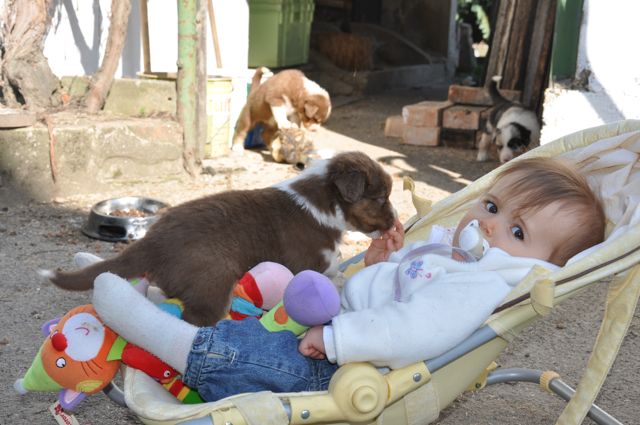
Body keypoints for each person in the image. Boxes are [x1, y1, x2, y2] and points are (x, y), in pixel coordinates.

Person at [92, 157, 605, 402]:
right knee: (272, 275)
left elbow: (415, 331)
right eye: (491, 205)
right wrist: (380, 264)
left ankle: (167, 336)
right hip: (340, 315)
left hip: (353, 365)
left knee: (259, 356)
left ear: (543, 267)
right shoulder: (459, 252)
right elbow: (401, 290)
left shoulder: (483, 285)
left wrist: (337, 339)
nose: (488, 224)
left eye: (516, 230)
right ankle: (175, 289)